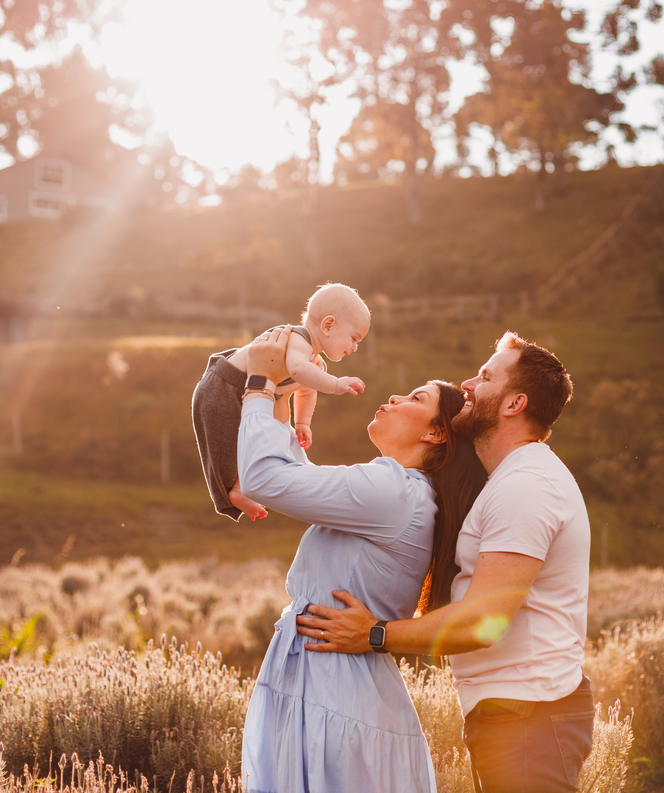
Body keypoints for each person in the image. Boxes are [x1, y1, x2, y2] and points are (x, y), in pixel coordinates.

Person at [295, 331, 592, 793]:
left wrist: (374, 634)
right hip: (517, 713)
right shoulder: (510, 480)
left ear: (515, 404)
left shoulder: (526, 487)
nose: (468, 383)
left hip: (530, 715)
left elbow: (483, 621)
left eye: (486, 377)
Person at [237, 326, 487, 793]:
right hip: (331, 682)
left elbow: (264, 480)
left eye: (414, 397)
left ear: (436, 432)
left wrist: (258, 383)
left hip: (335, 692)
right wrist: (281, 395)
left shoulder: (394, 490)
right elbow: (291, 480)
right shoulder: (401, 493)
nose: (393, 397)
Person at [191, 283, 369, 521]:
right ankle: (235, 488)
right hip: (222, 387)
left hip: (244, 391)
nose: (355, 347)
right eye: (354, 338)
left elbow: (306, 390)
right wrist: (336, 384)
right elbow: (297, 370)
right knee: (227, 443)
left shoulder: (314, 363)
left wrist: (303, 422)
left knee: (264, 438)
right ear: (328, 325)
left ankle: (247, 485)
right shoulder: (298, 340)